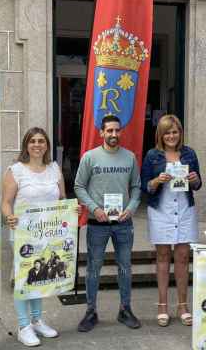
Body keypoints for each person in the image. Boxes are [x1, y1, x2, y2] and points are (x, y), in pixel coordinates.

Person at [2, 127, 73, 346]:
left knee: (40, 276)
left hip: (48, 233)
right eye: (32, 141)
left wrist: (72, 210)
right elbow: (5, 202)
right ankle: (23, 326)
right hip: (23, 234)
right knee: (24, 279)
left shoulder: (54, 169)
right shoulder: (16, 170)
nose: (37, 144)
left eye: (41, 141)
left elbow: (62, 198)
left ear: (47, 146)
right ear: (26, 145)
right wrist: (9, 217)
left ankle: (37, 320)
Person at [74, 115, 142, 332]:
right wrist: (94, 208)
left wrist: (131, 208)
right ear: (101, 133)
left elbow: (136, 187)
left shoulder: (130, 157)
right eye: (109, 131)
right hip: (97, 223)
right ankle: (91, 311)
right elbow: (78, 186)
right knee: (93, 268)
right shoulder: (90, 157)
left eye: (117, 130)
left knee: (125, 267)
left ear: (121, 132)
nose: (114, 134)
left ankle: (125, 309)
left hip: (123, 223)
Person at [141, 114, 201, 327]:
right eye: (167, 132)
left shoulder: (189, 153)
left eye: (175, 132)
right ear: (160, 134)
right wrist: (157, 180)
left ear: (180, 133)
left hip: (184, 210)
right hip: (161, 211)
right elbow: (144, 187)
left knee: (183, 258)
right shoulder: (152, 156)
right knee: (163, 256)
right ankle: (163, 305)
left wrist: (194, 179)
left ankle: (183, 305)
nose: (171, 136)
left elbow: (198, 184)